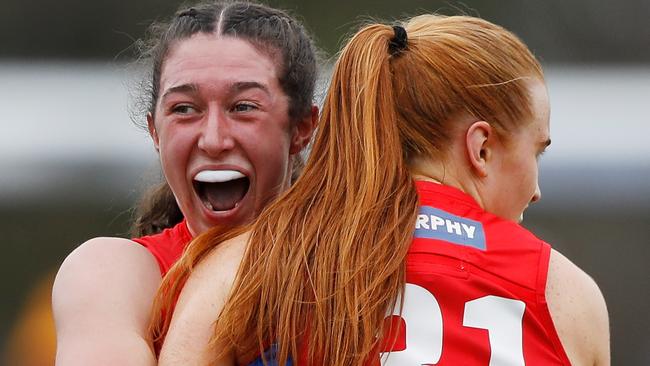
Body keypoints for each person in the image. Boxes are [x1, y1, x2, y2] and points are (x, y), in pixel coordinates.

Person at [153, 14, 610, 366]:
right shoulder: (564, 292)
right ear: (482, 147)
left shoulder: (249, 260)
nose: (536, 191)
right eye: (537, 152)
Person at [51, 1, 319, 364]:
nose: (213, 139)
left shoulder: (359, 264)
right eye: (184, 109)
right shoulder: (112, 275)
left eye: (243, 107)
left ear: (302, 127)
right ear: (154, 132)